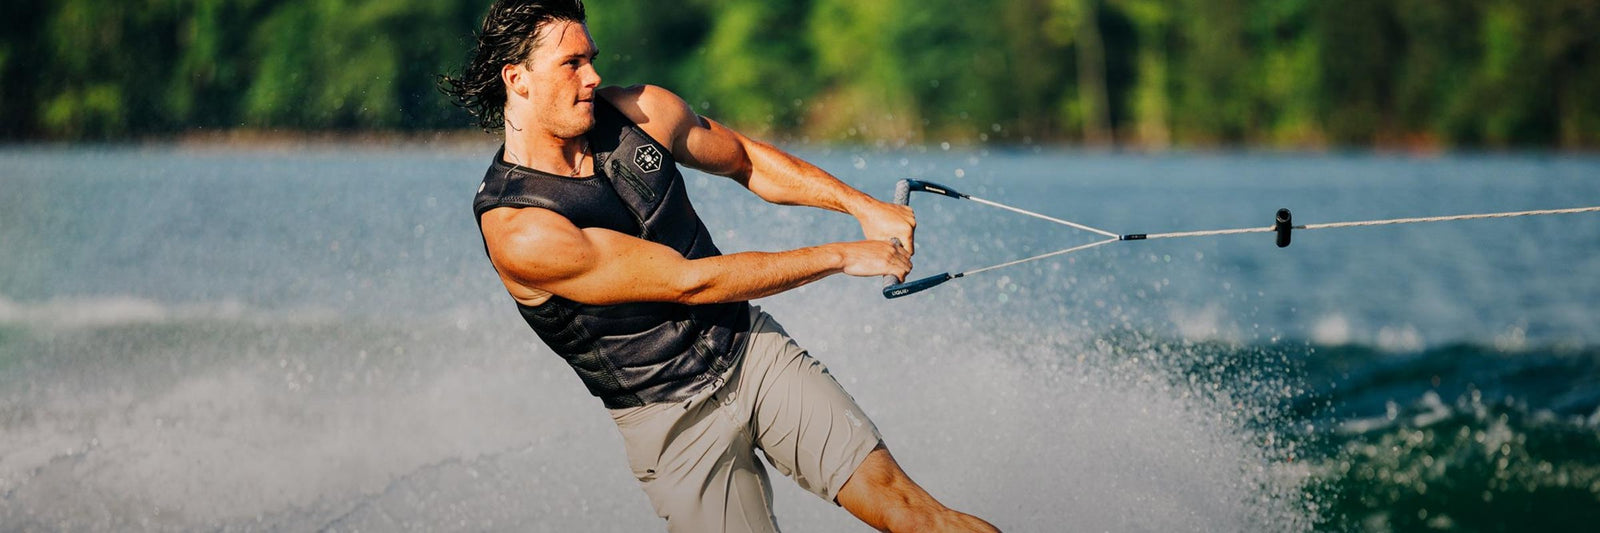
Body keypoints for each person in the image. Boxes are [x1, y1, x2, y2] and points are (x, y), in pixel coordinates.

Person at [443, 2, 999, 532]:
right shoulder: (521, 230)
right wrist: (840, 254)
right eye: (571, 64)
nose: (592, 77)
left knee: (910, 512)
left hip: (749, 348)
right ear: (517, 79)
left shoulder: (639, 112)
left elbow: (747, 159)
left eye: (591, 59)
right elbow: (691, 281)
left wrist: (864, 208)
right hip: (670, 421)